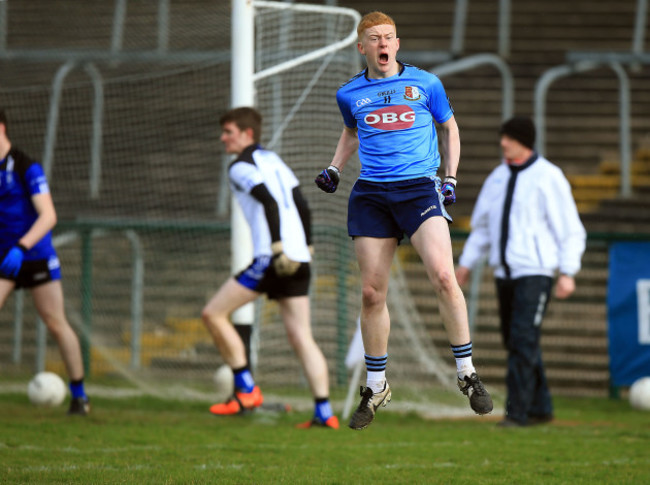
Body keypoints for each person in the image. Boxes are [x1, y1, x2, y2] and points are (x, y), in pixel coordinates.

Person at [315, 11, 493, 430]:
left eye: (389, 37)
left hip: (418, 189)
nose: (382, 44)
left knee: (444, 277)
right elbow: (352, 131)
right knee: (372, 293)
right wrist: (335, 168)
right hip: (372, 195)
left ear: (397, 44)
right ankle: (376, 386)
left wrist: (449, 178)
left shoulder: (425, 84)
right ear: (362, 47)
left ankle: (467, 373)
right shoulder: (350, 94)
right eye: (374, 38)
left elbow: (450, 128)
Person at [202, 107, 338, 429]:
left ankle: (246, 390)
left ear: (247, 133)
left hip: (272, 257)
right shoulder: (274, 160)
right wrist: (307, 246)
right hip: (299, 258)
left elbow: (269, 201)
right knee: (302, 336)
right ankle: (324, 412)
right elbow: (301, 202)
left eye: (229, 131)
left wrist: (277, 247)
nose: (223, 138)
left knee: (213, 314)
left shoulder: (239, 167)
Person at [455, 116, 587, 427]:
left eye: (510, 138)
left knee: (523, 339)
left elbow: (570, 230)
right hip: (504, 274)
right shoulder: (497, 178)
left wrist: (567, 271)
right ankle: (541, 407)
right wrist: (466, 263)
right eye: (503, 137)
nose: (503, 143)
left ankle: (518, 413)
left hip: (536, 272)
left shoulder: (549, 177)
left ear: (524, 141)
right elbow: (483, 228)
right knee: (516, 340)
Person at [0, 108, 90, 416]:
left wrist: (21, 246)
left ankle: (79, 395)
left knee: (55, 322)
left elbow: (48, 215)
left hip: (33, 254)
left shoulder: (26, 166)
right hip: (3, 258)